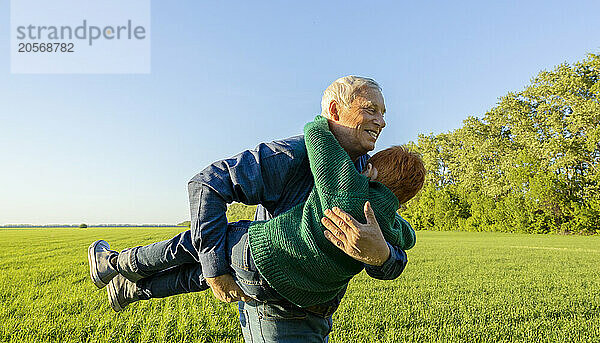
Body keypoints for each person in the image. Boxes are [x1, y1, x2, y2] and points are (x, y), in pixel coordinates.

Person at [88, 76, 418, 342]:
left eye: (384, 113)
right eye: (371, 109)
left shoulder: (366, 172)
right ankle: (118, 265)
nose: (382, 121)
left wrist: (382, 256)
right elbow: (207, 183)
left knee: (204, 251)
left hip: (317, 309)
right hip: (275, 315)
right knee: (207, 249)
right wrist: (215, 270)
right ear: (335, 109)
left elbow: (392, 252)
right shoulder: (291, 156)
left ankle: (125, 282)